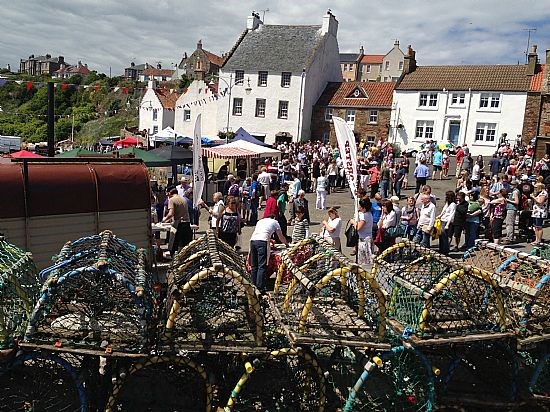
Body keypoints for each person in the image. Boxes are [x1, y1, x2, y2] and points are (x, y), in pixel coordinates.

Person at [249, 215, 289, 294]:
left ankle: (252, 285)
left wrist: (270, 239)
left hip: (253, 240)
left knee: (254, 266)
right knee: (262, 266)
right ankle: (260, 288)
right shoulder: (275, 222)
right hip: (262, 242)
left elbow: (261, 232)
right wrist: (286, 244)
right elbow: (281, 236)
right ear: (274, 218)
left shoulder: (260, 221)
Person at [162, 188, 192, 257]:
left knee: (174, 245)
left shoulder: (172, 200)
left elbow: (171, 213)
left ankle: (174, 260)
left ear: (170, 193)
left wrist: (164, 220)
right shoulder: (183, 199)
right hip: (187, 223)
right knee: (186, 245)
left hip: (179, 224)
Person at [351, 198, 374, 264]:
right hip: (367, 238)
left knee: (364, 261)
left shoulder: (365, 216)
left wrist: (353, 222)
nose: (359, 208)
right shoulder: (369, 213)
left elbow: (358, 228)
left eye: (360, 206)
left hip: (365, 240)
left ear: (364, 208)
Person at [503, 179, 521, 244]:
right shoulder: (514, 191)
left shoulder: (515, 192)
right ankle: (510, 237)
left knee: (509, 223)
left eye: (512, 184)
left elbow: (516, 202)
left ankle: (509, 238)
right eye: (510, 184)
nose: (510, 185)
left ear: (516, 185)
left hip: (512, 209)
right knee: (510, 223)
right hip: (511, 208)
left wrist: (508, 200)